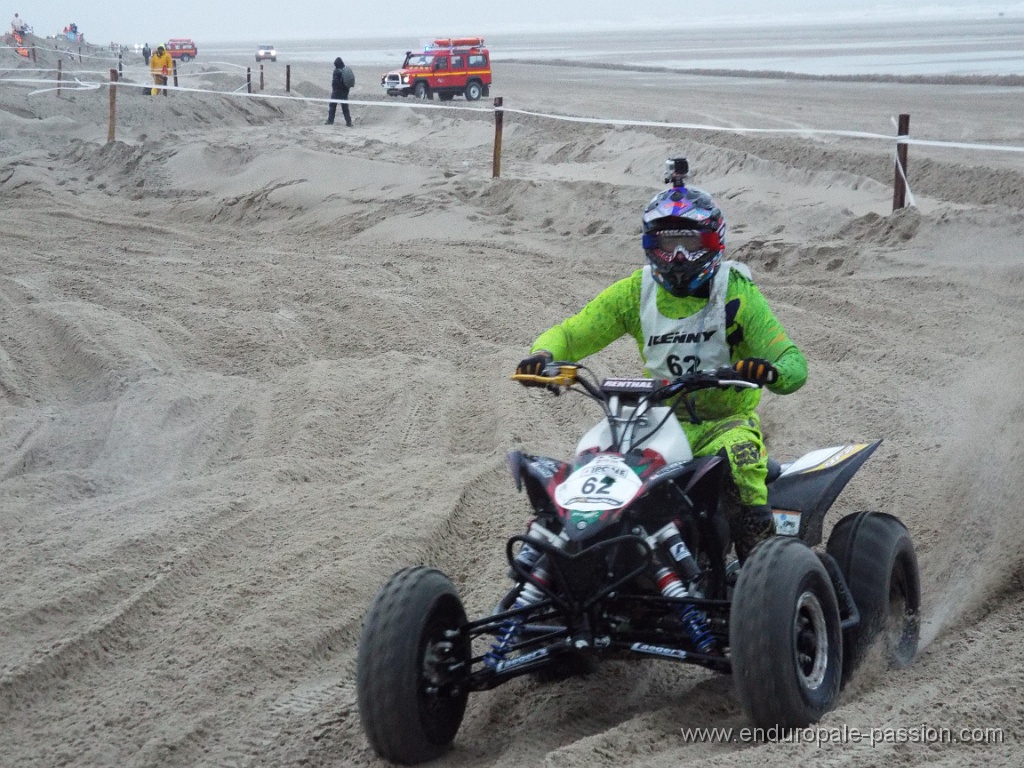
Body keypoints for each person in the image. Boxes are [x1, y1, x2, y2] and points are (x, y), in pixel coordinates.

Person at [515, 181, 808, 562]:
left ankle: (764, 564)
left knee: (740, 459)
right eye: (668, 247)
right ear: (652, 247)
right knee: (595, 462)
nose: (680, 258)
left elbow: (793, 362)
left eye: (690, 244)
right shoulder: (636, 292)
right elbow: (574, 332)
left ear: (713, 243)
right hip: (657, 420)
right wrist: (543, 353)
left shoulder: (736, 293)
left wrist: (768, 371)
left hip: (724, 421)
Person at [326, 57, 353, 126]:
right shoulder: (345, 69)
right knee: (345, 108)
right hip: (345, 91)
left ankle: (330, 121)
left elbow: (335, 82)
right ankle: (349, 122)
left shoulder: (336, 71)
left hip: (337, 91)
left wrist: (334, 90)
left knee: (332, 106)